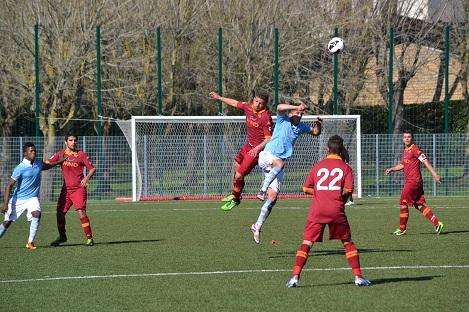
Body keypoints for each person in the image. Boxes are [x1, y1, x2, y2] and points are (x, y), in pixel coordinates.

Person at [285, 135, 371, 287]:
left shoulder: (318, 166)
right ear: (342, 149)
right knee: (347, 242)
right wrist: (339, 197)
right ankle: (358, 277)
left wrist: (319, 193)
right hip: (336, 210)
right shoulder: (346, 168)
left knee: (306, 242)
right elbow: (349, 190)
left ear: (327, 148)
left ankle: (294, 277)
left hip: (317, 210)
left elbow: (305, 188)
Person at [250, 102, 322, 244]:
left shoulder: (300, 127)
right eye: (297, 113)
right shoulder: (284, 120)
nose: (299, 115)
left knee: (273, 197)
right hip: (267, 156)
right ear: (291, 113)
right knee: (280, 164)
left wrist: (318, 123)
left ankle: (257, 226)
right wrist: (295, 107)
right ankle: (262, 190)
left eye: (301, 114)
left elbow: (315, 132)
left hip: (277, 166)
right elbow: (279, 107)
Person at [209, 91, 273, 211]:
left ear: (265, 104)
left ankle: (236, 199)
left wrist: (257, 148)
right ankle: (235, 194)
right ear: (253, 100)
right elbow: (235, 103)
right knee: (235, 167)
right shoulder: (248, 107)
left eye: (261, 103)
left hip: (256, 151)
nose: (258, 104)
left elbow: (269, 138)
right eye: (256, 101)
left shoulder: (265, 117)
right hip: (247, 146)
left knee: (239, 175)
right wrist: (219, 97)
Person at [1, 142, 65, 250]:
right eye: (31, 151)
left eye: (34, 151)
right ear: (25, 153)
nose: (34, 153)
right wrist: (5, 204)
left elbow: (47, 165)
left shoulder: (38, 163)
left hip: (32, 198)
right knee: (7, 223)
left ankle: (30, 242)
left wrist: (60, 161)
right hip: (18, 199)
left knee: (37, 213)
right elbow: (9, 185)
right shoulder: (20, 168)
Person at [385, 131, 444, 235]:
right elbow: (402, 165)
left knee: (403, 202)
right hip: (415, 182)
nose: (407, 138)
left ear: (412, 138)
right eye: (405, 137)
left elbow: (425, 161)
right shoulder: (406, 150)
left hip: (413, 181)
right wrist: (392, 169)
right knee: (418, 204)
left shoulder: (415, 149)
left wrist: (434, 174)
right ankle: (437, 223)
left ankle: (402, 229)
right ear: (403, 139)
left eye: (409, 137)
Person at [48, 134, 96, 246]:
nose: (73, 142)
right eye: (71, 140)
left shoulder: (81, 154)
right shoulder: (60, 154)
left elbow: (92, 169)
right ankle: (62, 237)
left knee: (81, 212)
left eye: (75, 140)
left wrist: (86, 178)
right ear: (66, 142)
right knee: (59, 214)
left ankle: (89, 238)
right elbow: (48, 162)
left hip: (79, 189)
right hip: (66, 190)